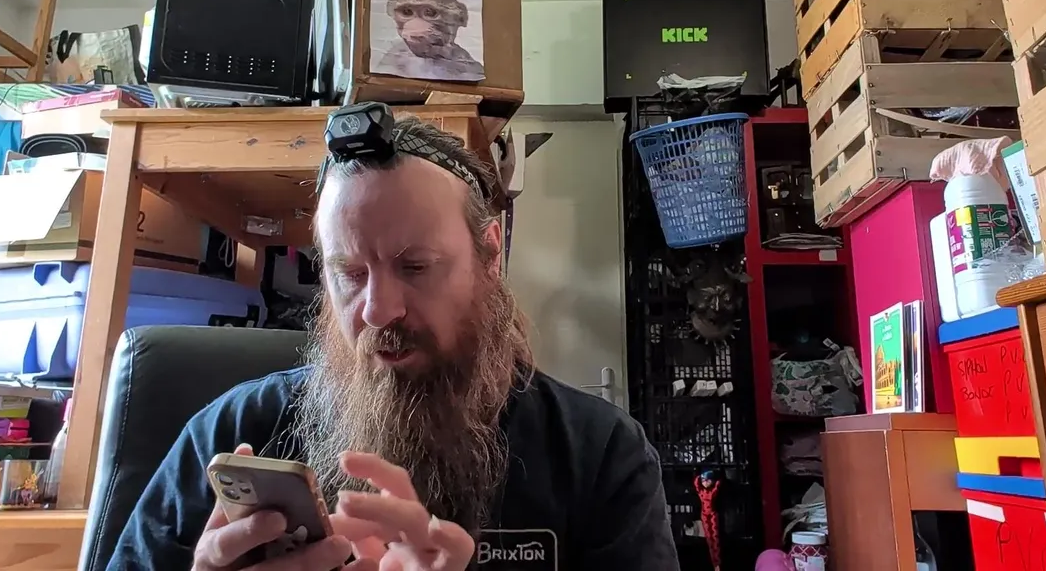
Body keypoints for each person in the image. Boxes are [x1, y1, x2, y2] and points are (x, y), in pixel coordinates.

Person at [108, 115, 679, 570]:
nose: (378, 310)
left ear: (490, 254)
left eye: (416, 266)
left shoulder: (602, 457)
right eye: (351, 274)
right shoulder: (230, 436)